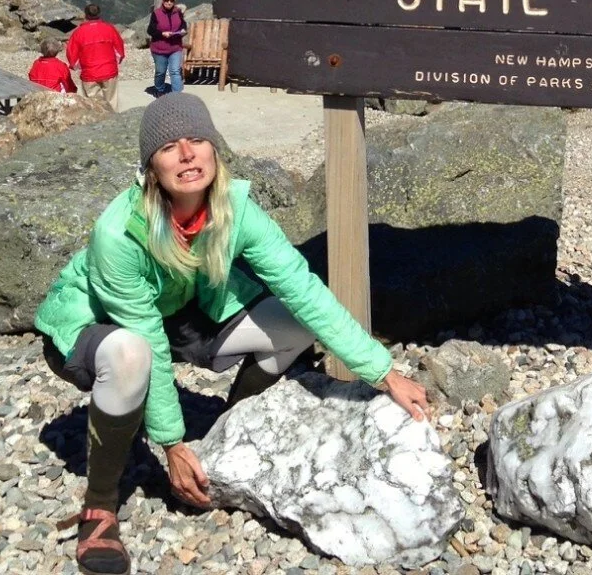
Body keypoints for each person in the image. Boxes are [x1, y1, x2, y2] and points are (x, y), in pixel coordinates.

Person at [34, 93, 430, 574]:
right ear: (150, 168)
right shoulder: (119, 234)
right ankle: (100, 505)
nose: (186, 154)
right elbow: (147, 338)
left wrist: (384, 373)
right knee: (132, 355)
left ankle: (229, 436)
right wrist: (173, 444)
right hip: (98, 329)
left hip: (182, 305)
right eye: (169, 147)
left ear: (214, 150)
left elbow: (304, 290)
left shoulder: (236, 209)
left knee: (292, 325)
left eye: (197, 140)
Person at [66, 3, 126, 111]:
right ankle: (113, 122)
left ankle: (96, 123)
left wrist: (77, 67)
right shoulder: (109, 28)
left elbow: (72, 55)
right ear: (99, 14)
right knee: (111, 100)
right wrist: (117, 60)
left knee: (92, 103)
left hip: (89, 73)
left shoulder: (78, 33)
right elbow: (119, 49)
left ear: (86, 15)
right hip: (109, 70)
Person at [147, 0, 187, 97]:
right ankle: (160, 89)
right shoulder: (156, 14)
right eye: (166, 0)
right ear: (163, 0)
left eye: (172, 1)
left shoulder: (178, 12)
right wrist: (162, 34)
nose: (169, 3)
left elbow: (183, 24)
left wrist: (183, 30)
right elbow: (150, 30)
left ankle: (177, 95)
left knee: (175, 71)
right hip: (159, 49)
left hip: (175, 48)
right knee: (160, 72)